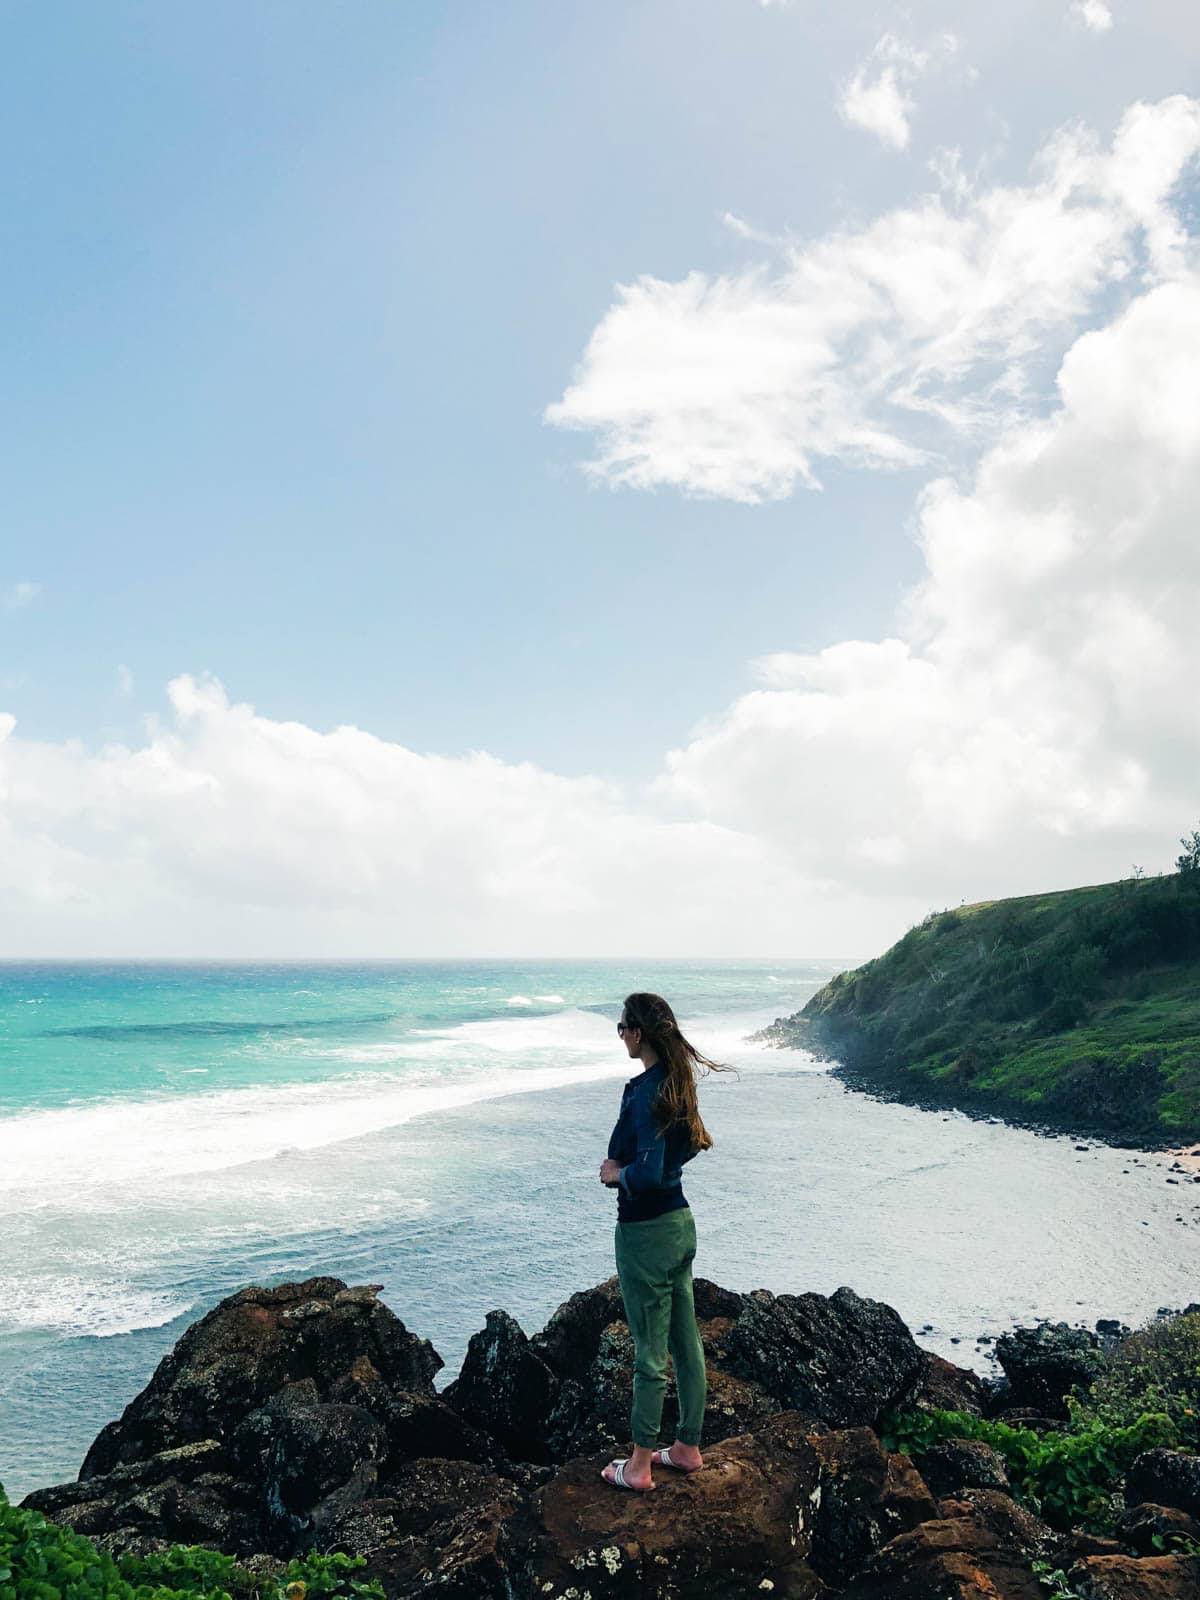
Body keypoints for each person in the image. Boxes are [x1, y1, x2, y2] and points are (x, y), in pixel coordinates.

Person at [597, 991, 735, 1492]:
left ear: (637, 1033)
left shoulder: (648, 1091)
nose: (621, 1037)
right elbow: (690, 1147)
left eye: (622, 1028)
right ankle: (687, 1447)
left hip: (646, 1233)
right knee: (686, 1339)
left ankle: (637, 1467)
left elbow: (649, 1170)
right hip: (679, 1225)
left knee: (650, 1351)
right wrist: (650, 1169)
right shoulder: (676, 1083)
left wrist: (618, 1175)